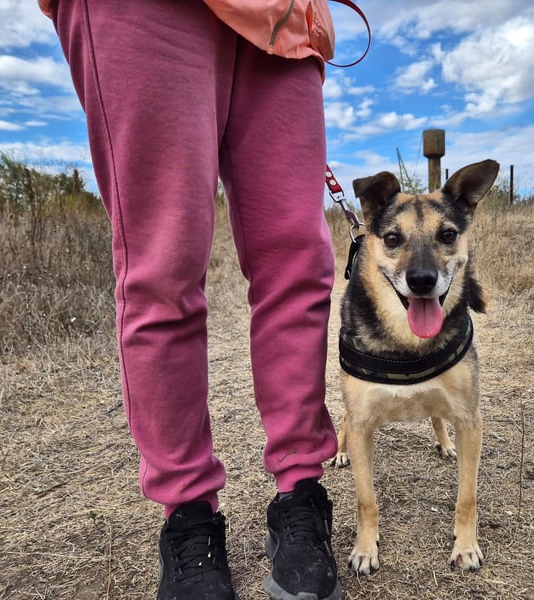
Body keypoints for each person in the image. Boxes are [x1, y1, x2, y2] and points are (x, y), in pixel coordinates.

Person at [38, 1, 342, 598]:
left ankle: (301, 495)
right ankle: (190, 517)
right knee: (162, 265)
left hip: (282, 18)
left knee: (299, 264)